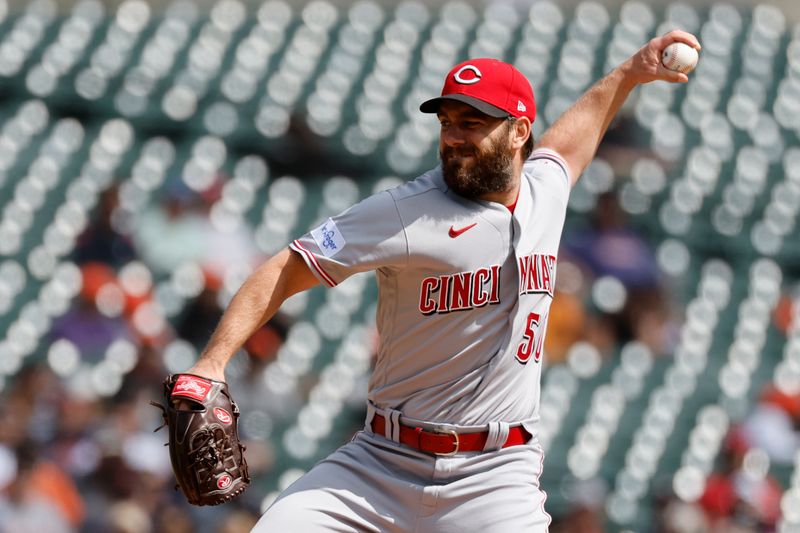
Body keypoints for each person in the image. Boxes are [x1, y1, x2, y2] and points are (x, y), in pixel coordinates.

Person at [183, 30, 701, 532]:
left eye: (473, 122)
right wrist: (212, 361)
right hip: (382, 462)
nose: (454, 135)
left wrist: (630, 74)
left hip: (495, 477)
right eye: (447, 121)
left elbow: (570, 141)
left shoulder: (546, 189)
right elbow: (285, 267)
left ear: (519, 131)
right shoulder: (404, 212)